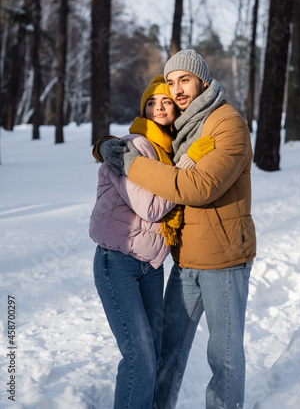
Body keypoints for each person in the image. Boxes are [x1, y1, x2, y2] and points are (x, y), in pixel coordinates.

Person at [97, 50, 257, 409]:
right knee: (167, 351)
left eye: (184, 79)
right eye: (171, 82)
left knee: (224, 358)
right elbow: (149, 135)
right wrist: (107, 145)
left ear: (202, 79)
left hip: (224, 260)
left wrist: (128, 163)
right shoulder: (184, 122)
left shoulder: (228, 123)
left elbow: (196, 187)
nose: (177, 89)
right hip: (185, 259)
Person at [90, 74, 215, 409]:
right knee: (139, 355)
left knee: (152, 352)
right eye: (151, 102)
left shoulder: (167, 152)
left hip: (152, 266)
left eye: (166, 102)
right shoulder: (133, 146)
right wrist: (187, 168)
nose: (159, 108)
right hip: (118, 261)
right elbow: (152, 206)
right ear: (142, 109)